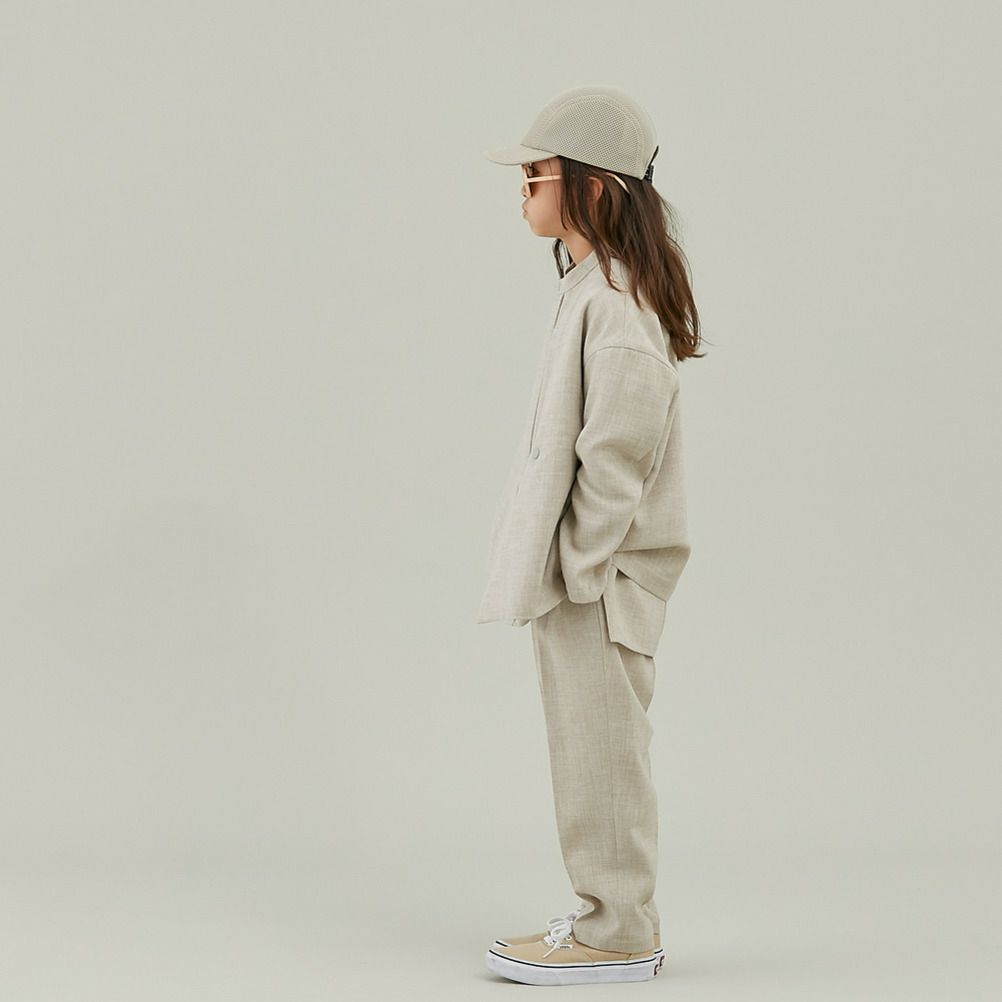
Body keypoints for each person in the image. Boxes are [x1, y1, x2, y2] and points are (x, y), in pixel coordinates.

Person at [477, 84, 705, 987]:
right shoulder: (590, 292)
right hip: (587, 582)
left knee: (604, 760)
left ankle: (618, 935)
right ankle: (607, 921)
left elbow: (618, 454)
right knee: (587, 754)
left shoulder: (612, 305)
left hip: (600, 588)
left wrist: (577, 569)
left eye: (537, 173)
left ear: (595, 187)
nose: (523, 188)